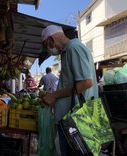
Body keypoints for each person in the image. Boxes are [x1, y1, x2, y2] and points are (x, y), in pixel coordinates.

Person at [40, 25, 98, 156]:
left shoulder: (74, 48)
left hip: (76, 120)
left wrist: (54, 95)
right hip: (71, 119)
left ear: (50, 40)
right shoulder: (68, 51)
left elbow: (86, 83)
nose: (47, 49)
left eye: (45, 45)